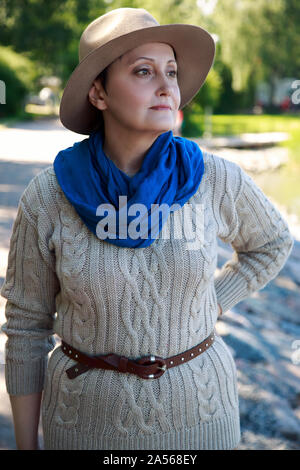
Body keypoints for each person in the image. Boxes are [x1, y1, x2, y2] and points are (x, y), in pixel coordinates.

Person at [0, 8, 294, 451]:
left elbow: (271, 243)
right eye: (143, 71)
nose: (166, 87)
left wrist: (213, 300)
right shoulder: (49, 197)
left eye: (171, 72)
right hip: (83, 428)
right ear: (98, 93)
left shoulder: (214, 179)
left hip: (201, 421)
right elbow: (26, 327)